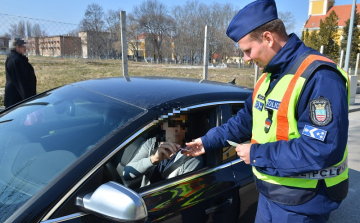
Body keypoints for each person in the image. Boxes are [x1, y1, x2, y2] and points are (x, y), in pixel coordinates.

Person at [183, 0, 349, 222]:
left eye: (248, 50)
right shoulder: (269, 76)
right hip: (271, 194)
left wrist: (257, 154)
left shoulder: (319, 77)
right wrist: (207, 141)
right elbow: (244, 121)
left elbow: (322, 150)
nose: (246, 58)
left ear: (268, 38)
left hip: (302, 202)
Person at [123, 114, 203, 187]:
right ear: (163, 125)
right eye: (172, 123)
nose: (177, 129)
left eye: (182, 125)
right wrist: (154, 159)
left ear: (185, 129)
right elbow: (127, 174)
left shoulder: (192, 157)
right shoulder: (152, 144)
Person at [4, 38, 37, 108]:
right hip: (16, 99)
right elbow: (20, 82)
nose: (25, 47)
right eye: (23, 45)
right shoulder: (15, 61)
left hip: (18, 98)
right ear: (17, 47)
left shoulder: (17, 59)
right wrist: (28, 100)